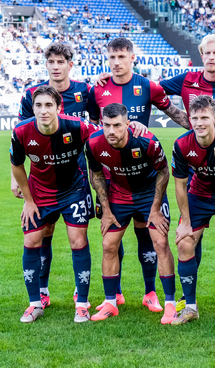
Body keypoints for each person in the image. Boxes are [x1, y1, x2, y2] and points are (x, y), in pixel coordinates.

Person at [89, 37, 190, 311]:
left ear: (133, 58)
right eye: (112, 58)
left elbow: (175, 114)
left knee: (148, 236)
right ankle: (115, 294)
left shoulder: (147, 86)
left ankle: (150, 293)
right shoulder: (97, 89)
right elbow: (91, 126)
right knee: (111, 236)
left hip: (143, 169)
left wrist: (202, 131)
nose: (117, 63)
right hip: (111, 178)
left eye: (122, 57)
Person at [10, 85, 99, 323]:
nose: (43, 110)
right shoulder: (21, 131)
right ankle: (35, 303)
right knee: (31, 240)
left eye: (49, 105)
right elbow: (17, 165)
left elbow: (103, 139)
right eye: (38, 105)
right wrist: (28, 201)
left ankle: (81, 304)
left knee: (78, 241)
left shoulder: (77, 126)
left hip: (74, 190)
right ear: (33, 108)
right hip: (39, 192)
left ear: (59, 108)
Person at [86, 103, 177, 324]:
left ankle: (170, 304)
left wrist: (155, 209)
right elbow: (96, 175)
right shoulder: (94, 144)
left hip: (148, 195)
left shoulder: (147, 141)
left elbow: (164, 172)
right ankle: (110, 303)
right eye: (106, 125)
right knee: (108, 245)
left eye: (117, 125)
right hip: (120, 195)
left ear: (127, 124)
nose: (111, 131)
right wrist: (106, 211)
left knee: (160, 243)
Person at [170, 95, 215, 326]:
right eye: (195, 118)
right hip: (199, 194)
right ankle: (190, 307)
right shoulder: (182, 144)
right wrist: (185, 222)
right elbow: (180, 185)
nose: (199, 122)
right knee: (184, 242)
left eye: (204, 117)